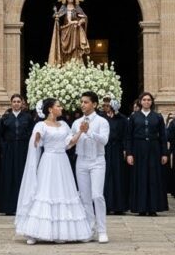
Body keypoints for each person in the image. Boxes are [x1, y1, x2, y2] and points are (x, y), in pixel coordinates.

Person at [14, 98, 93, 245]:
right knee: (45, 192)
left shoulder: (63, 125)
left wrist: (80, 132)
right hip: (48, 161)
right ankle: (34, 231)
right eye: (58, 106)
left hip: (62, 161)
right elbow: (36, 141)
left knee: (62, 192)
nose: (61, 108)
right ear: (50, 109)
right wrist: (37, 138)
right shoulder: (40, 125)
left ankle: (61, 231)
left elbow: (69, 143)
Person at [71, 92, 110, 243]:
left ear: (94, 104)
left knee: (97, 195)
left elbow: (104, 141)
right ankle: (90, 228)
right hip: (81, 161)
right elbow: (71, 139)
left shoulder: (102, 122)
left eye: (86, 102)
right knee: (85, 197)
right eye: (81, 102)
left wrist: (89, 131)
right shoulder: (76, 123)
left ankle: (102, 230)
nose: (82, 105)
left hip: (97, 161)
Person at [126, 92, 168, 216]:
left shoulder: (157, 117)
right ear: (140, 101)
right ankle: (141, 207)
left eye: (149, 100)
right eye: (144, 100)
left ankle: (153, 207)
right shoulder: (134, 117)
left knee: (154, 177)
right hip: (138, 149)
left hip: (154, 150)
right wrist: (129, 153)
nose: (146, 102)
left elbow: (163, 136)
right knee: (140, 177)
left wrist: (164, 153)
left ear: (151, 102)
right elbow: (128, 136)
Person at [0, 94, 34, 215]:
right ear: (11, 103)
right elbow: (0, 134)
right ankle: (8, 207)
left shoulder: (28, 117)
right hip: (9, 149)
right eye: (14, 101)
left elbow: (31, 134)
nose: (16, 103)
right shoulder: (5, 118)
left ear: (22, 103)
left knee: (22, 174)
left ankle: (23, 206)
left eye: (19, 101)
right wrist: (4, 147)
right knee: (9, 175)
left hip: (23, 149)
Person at [48, 0, 89, 65]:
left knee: (75, 48)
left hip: (75, 31)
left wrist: (80, 22)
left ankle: (76, 63)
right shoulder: (63, 8)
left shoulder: (77, 8)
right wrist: (56, 16)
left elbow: (84, 18)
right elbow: (57, 16)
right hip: (65, 31)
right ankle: (65, 64)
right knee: (64, 48)